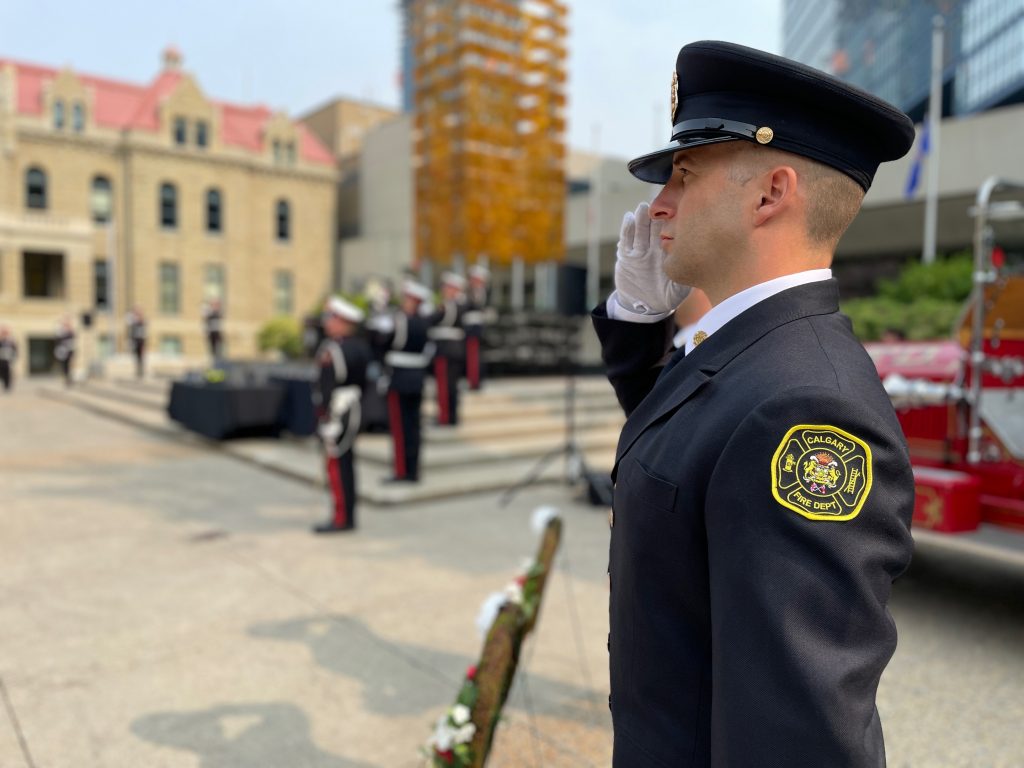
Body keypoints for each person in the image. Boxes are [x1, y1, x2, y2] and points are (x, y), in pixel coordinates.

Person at [592, 41, 916, 766]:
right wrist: (637, 321)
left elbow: (796, 737)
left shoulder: (806, 408)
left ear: (770, 194)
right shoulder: (753, 359)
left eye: (682, 175)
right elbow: (683, 455)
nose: (658, 205)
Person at [312, 297, 370, 534]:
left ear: (343, 322)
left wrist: (325, 416)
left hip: (338, 410)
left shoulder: (333, 349)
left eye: (331, 317)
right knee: (345, 463)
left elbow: (326, 387)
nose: (327, 322)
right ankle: (347, 514)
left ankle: (341, 517)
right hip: (354, 406)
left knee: (337, 465)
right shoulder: (360, 346)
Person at [369, 279, 433, 483]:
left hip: (399, 377)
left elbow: (382, 343)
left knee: (399, 427)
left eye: (407, 298)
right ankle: (413, 471)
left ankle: (401, 471)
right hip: (417, 378)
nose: (404, 301)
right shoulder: (426, 321)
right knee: (414, 427)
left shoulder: (399, 320)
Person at [427, 272, 467, 426]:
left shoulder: (448, 305)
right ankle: (452, 416)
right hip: (456, 349)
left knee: (444, 386)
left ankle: (445, 417)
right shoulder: (462, 304)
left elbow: (432, 320)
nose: (444, 290)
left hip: (445, 349)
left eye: (447, 287)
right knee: (452, 385)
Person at [464, 264, 491, 390]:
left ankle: (477, 380)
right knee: (472, 356)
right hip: (471, 327)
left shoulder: (483, 292)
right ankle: (473, 381)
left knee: (477, 356)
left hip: (479, 327)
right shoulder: (468, 292)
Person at [125, 306, 147, 378]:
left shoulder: (142, 321)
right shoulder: (133, 321)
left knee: (141, 357)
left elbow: (144, 333)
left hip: (141, 341)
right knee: (136, 356)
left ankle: (141, 371)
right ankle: (138, 371)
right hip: (135, 340)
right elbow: (128, 322)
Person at [54, 317, 76, 387]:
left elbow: (72, 340)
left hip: (69, 351)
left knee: (69, 365)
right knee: (64, 366)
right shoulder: (61, 332)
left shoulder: (70, 332)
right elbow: (57, 339)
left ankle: (69, 378)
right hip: (63, 352)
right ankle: (67, 378)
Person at [0, 326, 18, 392]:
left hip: (8, 359)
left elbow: (15, 350)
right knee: (2, 373)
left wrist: (14, 357)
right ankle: (4, 385)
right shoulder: (1, 341)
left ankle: (7, 386)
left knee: (8, 373)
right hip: (1, 359)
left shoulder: (11, 341)